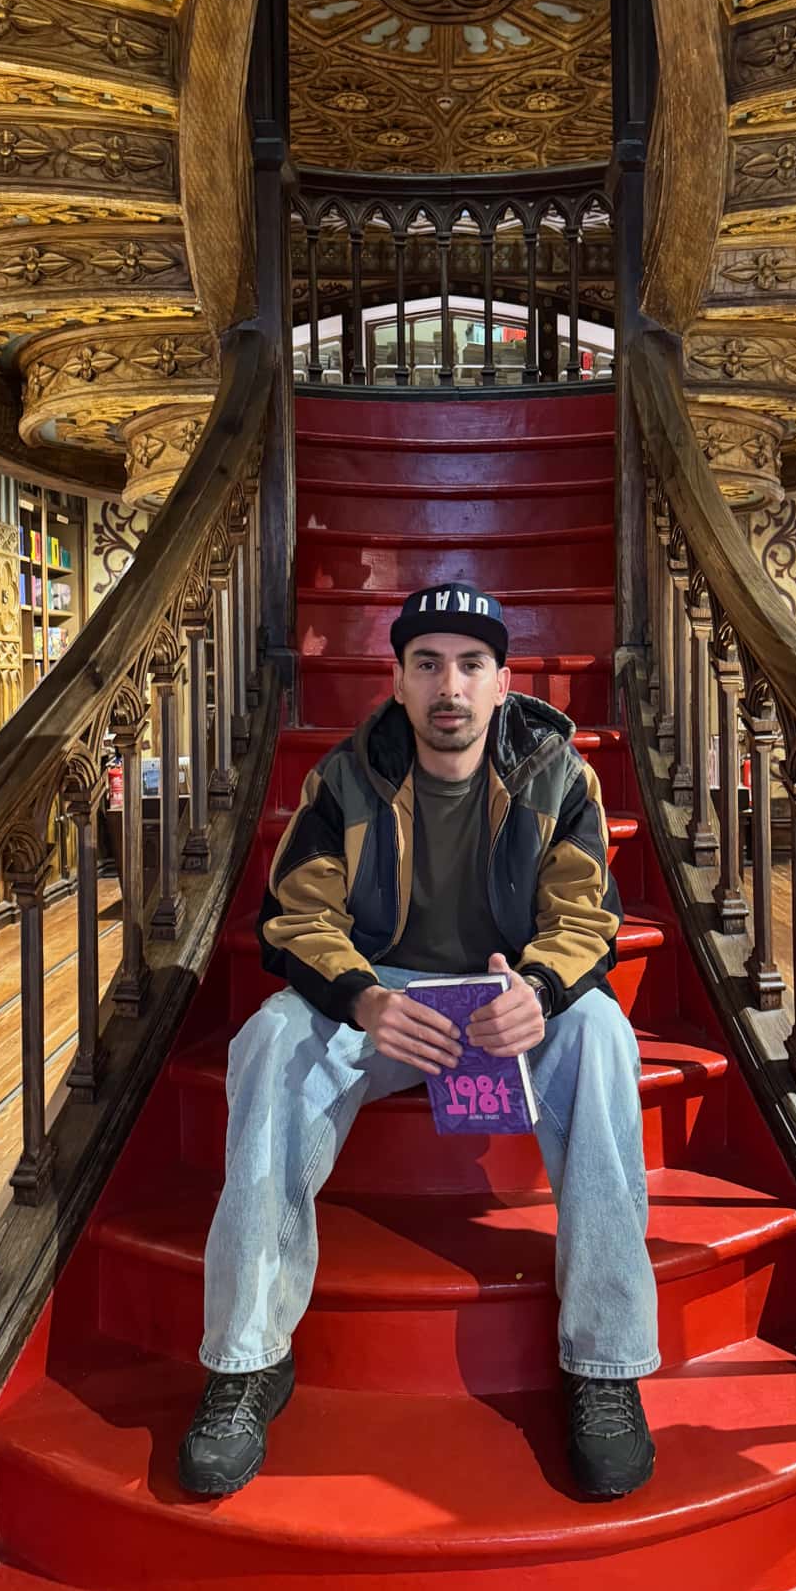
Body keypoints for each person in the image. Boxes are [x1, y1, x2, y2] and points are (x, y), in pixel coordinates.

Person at [179, 583, 660, 1504]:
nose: (451, 687)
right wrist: (359, 996)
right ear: (398, 681)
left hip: (510, 995)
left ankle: (606, 1363)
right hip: (386, 996)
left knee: (601, 1031)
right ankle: (246, 1360)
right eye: (428, 665)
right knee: (270, 1041)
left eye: (471, 665)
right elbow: (296, 914)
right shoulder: (347, 774)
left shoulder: (557, 769)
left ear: (502, 680)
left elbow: (586, 913)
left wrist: (544, 988)